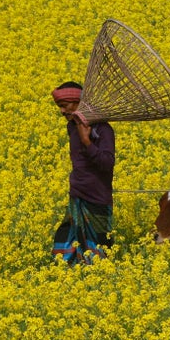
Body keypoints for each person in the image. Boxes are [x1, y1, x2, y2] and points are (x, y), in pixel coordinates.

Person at [51, 81, 115, 264]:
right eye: (59, 107)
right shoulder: (72, 127)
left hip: (98, 198)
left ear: (78, 103)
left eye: (64, 106)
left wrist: (87, 141)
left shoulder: (103, 130)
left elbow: (107, 163)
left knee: (100, 251)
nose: (62, 111)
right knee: (64, 248)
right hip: (77, 194)